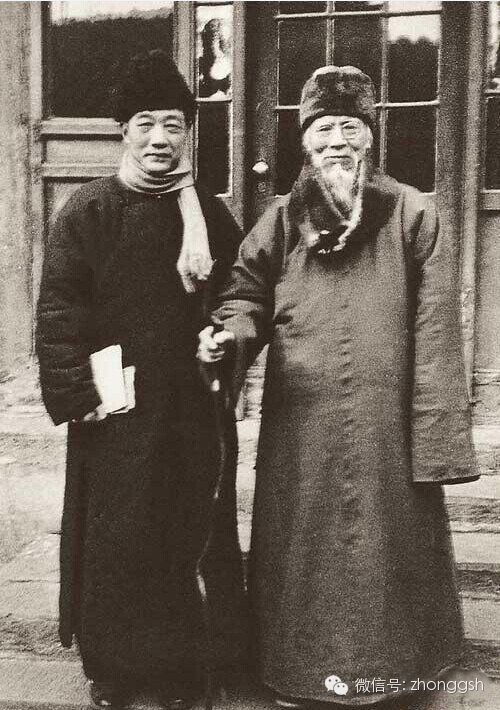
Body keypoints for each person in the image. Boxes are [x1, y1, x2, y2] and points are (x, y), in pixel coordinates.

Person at [198, 65, 478, 708]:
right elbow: (245, 293)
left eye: (350, 128)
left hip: (387, 418)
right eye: (323, 129)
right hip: (302, 415)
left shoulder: (412, 211)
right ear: (304, 142)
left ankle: (397, 672)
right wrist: (229, 335)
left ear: (370, 138)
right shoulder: (280, 219)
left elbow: (437, 325)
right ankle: (301, 673)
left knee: (389, 540)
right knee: (305, 543)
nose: (337, 142)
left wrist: (434, 433)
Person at [36, 50, 246, 709]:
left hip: (191, 405)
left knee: (186, 532)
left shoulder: (208, 215)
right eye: (147, 124)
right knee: (117, 537)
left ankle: (186, 669)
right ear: (123, 130)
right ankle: (116, 668)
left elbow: (240, 294)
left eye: (174, 125)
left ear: (189, 133)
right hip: (115, 409)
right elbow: (60, 308)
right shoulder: (89, 211)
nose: (160, 139)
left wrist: (223, 337)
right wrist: (77, 392)